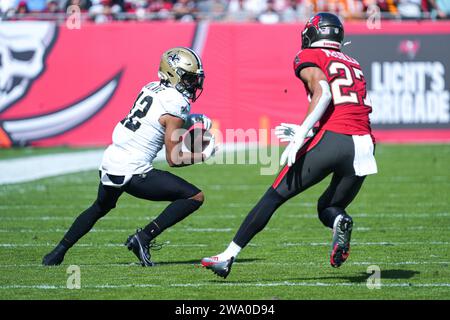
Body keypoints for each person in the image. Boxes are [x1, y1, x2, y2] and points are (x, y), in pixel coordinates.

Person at [201, 12, 378, 278]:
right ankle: (339, 221)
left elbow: (324, 92)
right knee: (329, 208)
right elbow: (345, 107)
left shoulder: (310, 56)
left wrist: (300, 136)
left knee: (273, 196)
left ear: (314, 33)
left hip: (333, 140)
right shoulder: (353, 62)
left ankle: (227, 257)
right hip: (364, 145)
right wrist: (309, 130)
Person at [43, 47, 217, 267]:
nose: (194, 84)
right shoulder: (177, 103)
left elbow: (157, 120)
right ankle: (143, 238)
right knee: (194, 197)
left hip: (111, 160)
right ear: (173, 73)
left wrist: (190, 119)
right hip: (134, 169)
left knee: (99, 207)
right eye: (189, 78)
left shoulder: (151, 87)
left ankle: (56, 253)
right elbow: (174, 158)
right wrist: (203, 155)